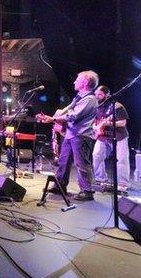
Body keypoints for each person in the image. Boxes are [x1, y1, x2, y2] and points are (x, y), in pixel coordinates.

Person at [37, 70, 99, 201]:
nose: (74, 81)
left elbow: (73, 115)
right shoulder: (79, 97)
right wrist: (51, 118)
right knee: (63, 161)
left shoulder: (90, 99)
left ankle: (87, 191)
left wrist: (54, 119)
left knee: (82, 163)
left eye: (78, 79)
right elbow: (66, 110)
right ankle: (60, 185)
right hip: (71, 134)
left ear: (86, 82)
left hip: (82, 136)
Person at [92, 85, 130, 194]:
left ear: (107, 94)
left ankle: (123, 184)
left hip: (119, 136)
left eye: (99, 94)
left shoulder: (117, 106)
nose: (97, 96)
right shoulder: (97, 107)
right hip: (103, 135)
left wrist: (108, 123)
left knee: (122, 159)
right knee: (97, 155)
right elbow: (95, 121)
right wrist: (95, 127)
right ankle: (101, 179)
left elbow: (123, 123)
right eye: (96, 94)